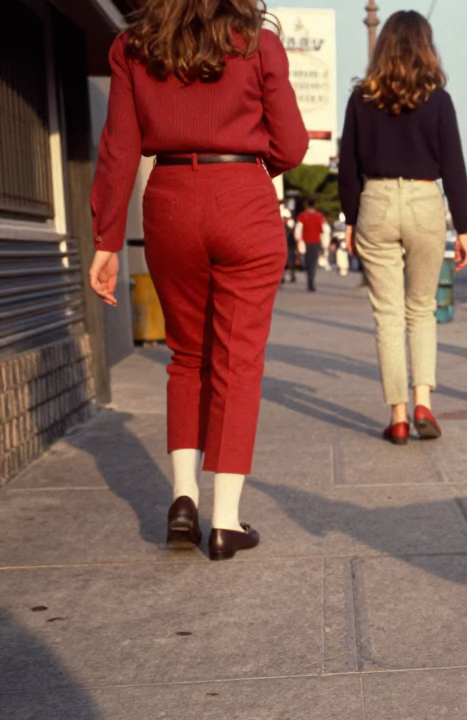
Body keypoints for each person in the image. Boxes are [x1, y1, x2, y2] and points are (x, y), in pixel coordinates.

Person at [87, 0, 307, 560]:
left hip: (169, 203)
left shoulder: (134, 48)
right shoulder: (258, 42)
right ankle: (226, 520)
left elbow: (118, 148)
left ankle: (183, 498)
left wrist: (108, 239)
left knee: (186, 355)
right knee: (237, 361)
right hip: (242, 195)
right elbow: (292, 145)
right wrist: (243, 171)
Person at [338, 10, 467, 444]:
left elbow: (348, 166)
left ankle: (396, 415)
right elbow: (453, 165)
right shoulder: (438, 99)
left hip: (375, 200)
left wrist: (351, 220)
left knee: (388, 315)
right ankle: (422, 402)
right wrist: (464, 227)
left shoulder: (361, 98)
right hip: (423, 201)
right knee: (421, 309)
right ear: (425, 47)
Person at [294, 198, 329, 290]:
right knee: (313, 262)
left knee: (307, 262)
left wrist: (298, 240)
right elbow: (325, 229)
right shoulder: (319, 216)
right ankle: (311, 282)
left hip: (305, 242)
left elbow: (298, 229)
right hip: (316, 242)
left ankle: (310, 280)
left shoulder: (302, 216)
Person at [281, 205, 297, 283]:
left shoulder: (289, 226)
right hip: (285, 246)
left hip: (289, 245)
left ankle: (291, 275)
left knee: (290, 261)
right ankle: (284, 276)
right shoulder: (283, 226)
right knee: (286, 262)